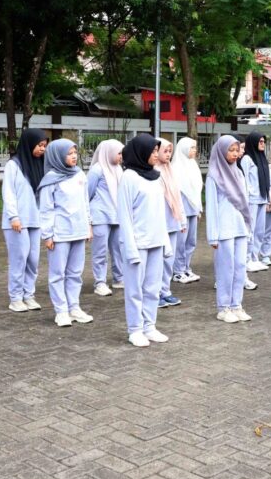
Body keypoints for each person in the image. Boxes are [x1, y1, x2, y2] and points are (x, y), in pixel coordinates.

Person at [118, 134, 172, 347]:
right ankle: (135, 329)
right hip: (138, 243)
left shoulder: (156, 176)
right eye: (152, 151)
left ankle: (149, 326)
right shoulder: (129, 177)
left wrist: (165, 241)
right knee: (134, 289)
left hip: (156, 241)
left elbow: (160, 213)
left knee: (153, 287)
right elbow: (124, 215)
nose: (156, 155)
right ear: (141, 152)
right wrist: (130, 247)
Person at [38, 139, 93, 327]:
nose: (74, 156)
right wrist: (47, 235)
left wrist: (89, 226)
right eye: (69, 153)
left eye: (75, 153)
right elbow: (46, 209)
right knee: (57, 274)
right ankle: (61, 311)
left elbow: (85, 202)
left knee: (75, 273)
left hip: (79, 231)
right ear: (58, 156)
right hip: (60, 233)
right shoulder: (51, 178)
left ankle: (74, 307)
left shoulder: (79, 175)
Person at [206, 135, 253, 323]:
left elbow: (245, 201)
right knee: (226, 268)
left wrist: (249, 227)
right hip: (224, 230)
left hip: (240, 227)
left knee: (240, 267)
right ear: (221, 151)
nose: (235, 154)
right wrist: (213, 236)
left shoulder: (239, 173)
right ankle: (223, 307)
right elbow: (211, 207)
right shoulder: (213, 176)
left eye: (237, 150)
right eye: (231, 150)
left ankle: (236, 305)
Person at [2, 128, 48, 313]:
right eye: (39, 145)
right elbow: (8, 193)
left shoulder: (41, 165)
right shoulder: (13, 166)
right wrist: (14, 216)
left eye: (44, 146)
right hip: (17, 222)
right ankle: (15, 298)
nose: (42, 149)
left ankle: (29, 295)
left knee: (33, 260)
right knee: (19, 259)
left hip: (35, 221)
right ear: (29, 144)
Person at [87, 139, 124, 297]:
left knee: (118, 249)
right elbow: (87, 193)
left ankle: (119, 278)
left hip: (117, 216)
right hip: (100, 216)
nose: (122, 156)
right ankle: (100, 282)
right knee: (100, 251)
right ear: (109, 152)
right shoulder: (97, 169)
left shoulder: (118, 169)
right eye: (119, 153)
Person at [155, 138, 184, 308]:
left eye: (169, 151)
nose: (168, 155)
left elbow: (177, 197)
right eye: (164, 151)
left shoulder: (170, 170)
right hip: (159, 224)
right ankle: (155, 292)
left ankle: (165, 291)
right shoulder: (153, 171)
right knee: (158, 260)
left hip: (172, 221)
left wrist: (182, 220)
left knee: (169, 260)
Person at [171, 137, 203, 285]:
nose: (194, 150)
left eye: (195, 147)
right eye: (192, 148)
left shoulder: (193, 165)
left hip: (193, 209)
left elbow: (196, 189)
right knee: (180, 242)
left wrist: (199, 208)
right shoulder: (176, 168)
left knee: (191, 241)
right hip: (182, 211)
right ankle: (177, 271)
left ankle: (185, 267)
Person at [241, 132, 271, 272]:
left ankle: (255, 257)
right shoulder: (247, 159)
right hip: (251, 200)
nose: (262, 143)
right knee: (251, 230)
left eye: (263, 141)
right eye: (260, 141)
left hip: (262, 198)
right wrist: (246, 200)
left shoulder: (262, 158)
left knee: (260, 230)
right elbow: (245, 181)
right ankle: (247, 259)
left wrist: (268, 200)